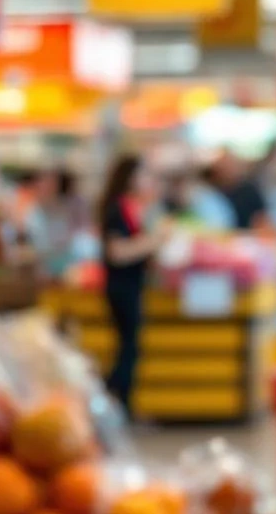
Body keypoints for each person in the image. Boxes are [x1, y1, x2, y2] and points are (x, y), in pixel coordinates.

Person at [96, 155, 171, 415]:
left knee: (130, 348)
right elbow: (116, 252)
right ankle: (105, 397)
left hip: (132, 286)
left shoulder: (135, 208)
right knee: (128, 349)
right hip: (121, 287)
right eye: (143, 175)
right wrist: (154, 241)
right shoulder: (117, 210)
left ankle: (122, 407)